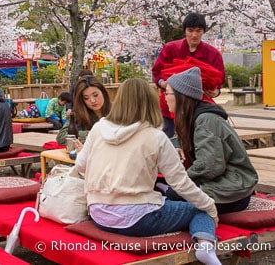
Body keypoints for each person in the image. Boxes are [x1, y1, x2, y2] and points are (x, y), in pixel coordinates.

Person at [76, 78, 221, 265]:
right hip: (137, 218)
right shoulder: (156, 137)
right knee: (198, 210)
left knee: (165, 198)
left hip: (98, 214)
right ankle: (205, 246)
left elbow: (80, 165)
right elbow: (180, 183)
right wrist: (210, 207)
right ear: (150, 103)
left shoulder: (98, 129)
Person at [162, 67, 257, 214]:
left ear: (181, 96)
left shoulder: (206, 120)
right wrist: (177, 144)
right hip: (221, 183)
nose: (164, 97)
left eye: (167, 93)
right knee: (166, 192)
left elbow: (210, 165)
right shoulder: (193, 115)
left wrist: (181, 180)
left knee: (171, 198)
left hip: (231, 189)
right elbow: (178, 136)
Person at [152, 12, 225, 137]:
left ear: (203, 31)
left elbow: (219, 82)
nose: (194, 35)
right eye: (190, 30)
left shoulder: (213, 54)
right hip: (170, 105)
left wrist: (216, 92)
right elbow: (157, 72)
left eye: (198, 31)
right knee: (168, 142)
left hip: (199, 108)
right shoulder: (170, 48)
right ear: (184, 31)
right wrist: (162, 83)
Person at [56, 76, 111, 145]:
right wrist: (94, 133)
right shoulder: (78, 114)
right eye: (86, 98)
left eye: (95, 95)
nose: (92, 100)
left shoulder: (116, 110)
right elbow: (61, 138)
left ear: (103, 93)